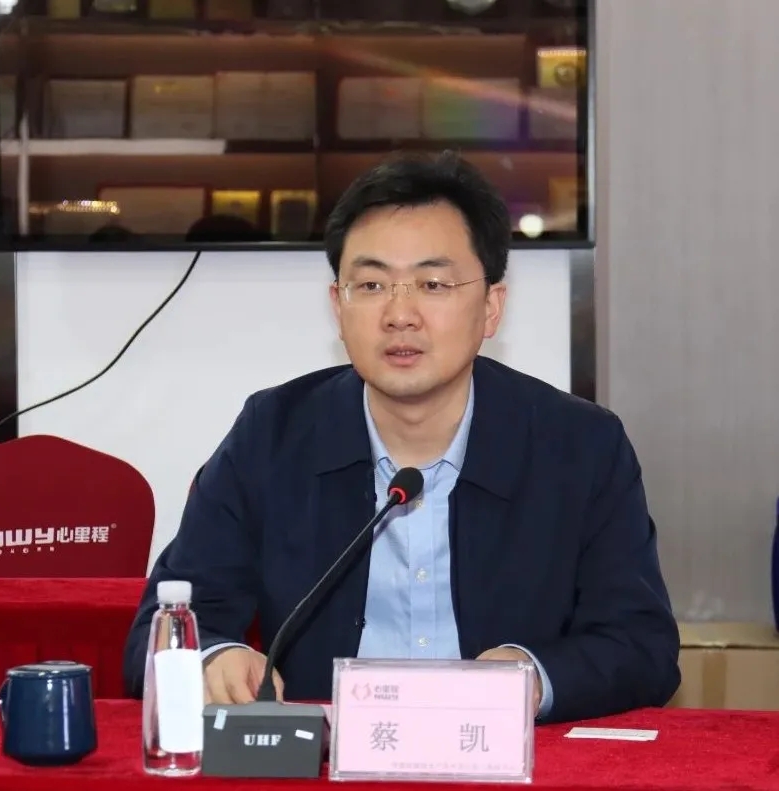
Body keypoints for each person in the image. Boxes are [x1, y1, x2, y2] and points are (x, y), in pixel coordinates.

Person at [123, 151, 680, 724]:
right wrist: (214, 657)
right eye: (371, 284)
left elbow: (643, 645)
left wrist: (533, 677)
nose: (400, 314)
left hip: (511, 759)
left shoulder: (581, 446)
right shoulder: (273, 433)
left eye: (433, 283)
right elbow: (159, 630)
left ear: (491, 307)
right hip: (328, 760)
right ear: (338, 306)